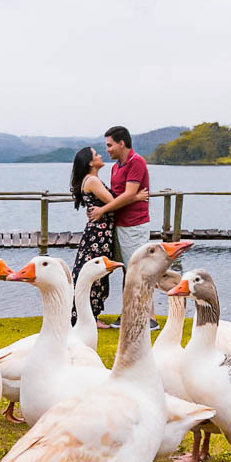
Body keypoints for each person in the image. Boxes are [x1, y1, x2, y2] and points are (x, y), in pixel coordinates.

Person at [89, 125, 156, 328]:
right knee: (127, 271)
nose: (107, 149)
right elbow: (122, 196)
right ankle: (130, 313)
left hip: (134, 226)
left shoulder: (137, 162)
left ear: (122, 143)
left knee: (138, 271)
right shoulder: (116, 167)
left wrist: (102, 211)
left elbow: (128, 193)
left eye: (109, 145)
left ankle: (148, 318)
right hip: (119, 225)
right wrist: (132, 197)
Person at [68, 146, 122, 328]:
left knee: (93, 273)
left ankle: (90, 315)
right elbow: (113, 202)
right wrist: (134, 196)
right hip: (99, 234)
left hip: (98, 232)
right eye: (97, 154)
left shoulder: (90, 180)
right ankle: (90, 317)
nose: (101, 156)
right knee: (95, 275)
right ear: (91, 162)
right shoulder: (92, 180)